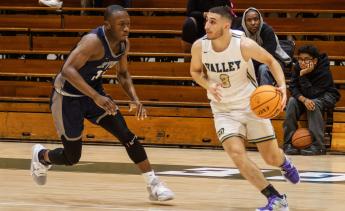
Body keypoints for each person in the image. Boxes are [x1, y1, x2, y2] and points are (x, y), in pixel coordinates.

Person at [30, 5, 174, 202]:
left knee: (127, 135)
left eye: (128, 24)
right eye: (121, 24)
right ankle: (41, 156)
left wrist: (135, 99)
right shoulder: (92, 42)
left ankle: (154, 184)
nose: (126, 29)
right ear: (107, 26)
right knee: (72, 157)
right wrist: (96, 97)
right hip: (67, 97)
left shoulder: (123, 44)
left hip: (94, 95)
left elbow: (122, 74)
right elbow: (67, 70)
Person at [189, 6, 299, 210]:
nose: (206, 26)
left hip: (251, 106)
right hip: (223, 110)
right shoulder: (199, 47)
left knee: (271, 157)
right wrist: (208, 85)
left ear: (226, 25)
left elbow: (271, 61)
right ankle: (276, 198)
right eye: (206, 20)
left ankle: (284, 162)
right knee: (236, 154)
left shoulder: (243, 44)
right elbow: (195, 72)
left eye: (212, 22)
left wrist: (282, 87)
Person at [283, 45, 340, 156]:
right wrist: (303, 100)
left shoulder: (324, 71)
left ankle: (318, 146)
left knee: (314, 103)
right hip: (306, 97)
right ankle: (288, 143)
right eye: (300, 59)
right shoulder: (297, 67)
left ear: (314, 60)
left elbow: (313, 94)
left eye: (306, 59)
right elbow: (293, 87)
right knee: (291, 102)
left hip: (326, 96)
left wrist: (303, 75)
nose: (302, 62)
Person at [240, 7, 292, 86]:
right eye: (249, 20)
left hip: (273, 61)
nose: (253, 22)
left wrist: (249, 64)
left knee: (263, 69)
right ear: (244, 22)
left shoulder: (267, 31)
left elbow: (267, 56)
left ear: (260, 20)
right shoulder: (240, 33)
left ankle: (266, 97)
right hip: (251, 62)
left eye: (256, 19)